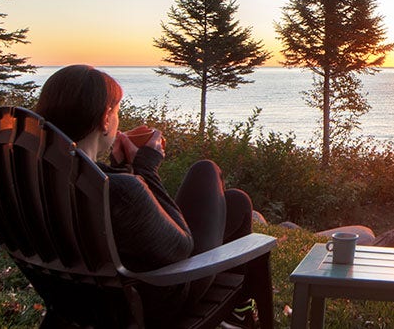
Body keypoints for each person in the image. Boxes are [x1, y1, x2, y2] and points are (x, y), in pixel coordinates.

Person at [33, 64, 254, 326]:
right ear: (105, 119)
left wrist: (123, 169)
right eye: (116, 111)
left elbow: (117, 221)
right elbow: (182, 246)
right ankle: (238, 313)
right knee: (206, 170)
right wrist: (146, 168)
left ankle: (238, 313)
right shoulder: (121, 191)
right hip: (150, 301)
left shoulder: (35, 176)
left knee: (235, 202)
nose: (118, 119)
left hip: (71, 296)